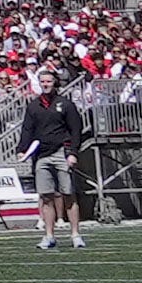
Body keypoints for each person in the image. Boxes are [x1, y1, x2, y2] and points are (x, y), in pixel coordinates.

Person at [18, 66, 86, 250]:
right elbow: (27, 129)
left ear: (55, 82)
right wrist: (22, 149)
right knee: (45, 196)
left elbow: (75, 130)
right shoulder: (33, 106)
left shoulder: (65, 104)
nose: (46, 84)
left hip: (61, 153)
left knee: (68, 194)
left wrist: (72, 152)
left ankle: (75, 234)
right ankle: (49, 235)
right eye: (43, 82)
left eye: (49, 81)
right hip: (41, 155)